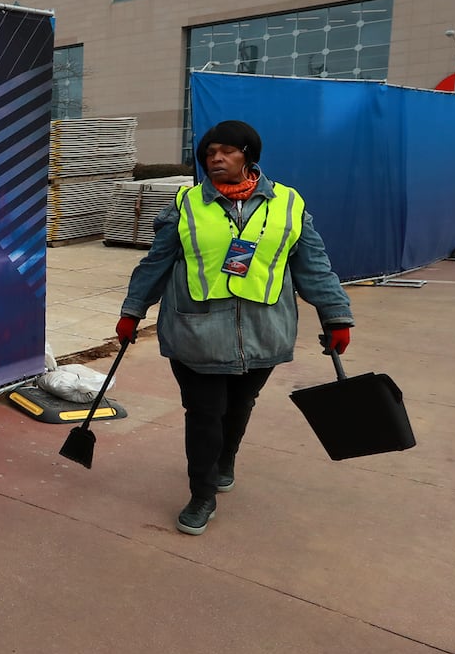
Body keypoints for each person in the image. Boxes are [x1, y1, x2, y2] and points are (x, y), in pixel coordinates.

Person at [116, 119, 353, 535]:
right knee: (205, 413)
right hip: (197, 333)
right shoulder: (187, 204)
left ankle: (226, 460)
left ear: (249, 156)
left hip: (265, 332)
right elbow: (156, 262)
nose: (216, 159)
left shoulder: (289, 204)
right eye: (209, 153)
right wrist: (132, 310)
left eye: (226, 151)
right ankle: (202, 493)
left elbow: (313, 265)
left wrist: (336, 315)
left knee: (240, 405)